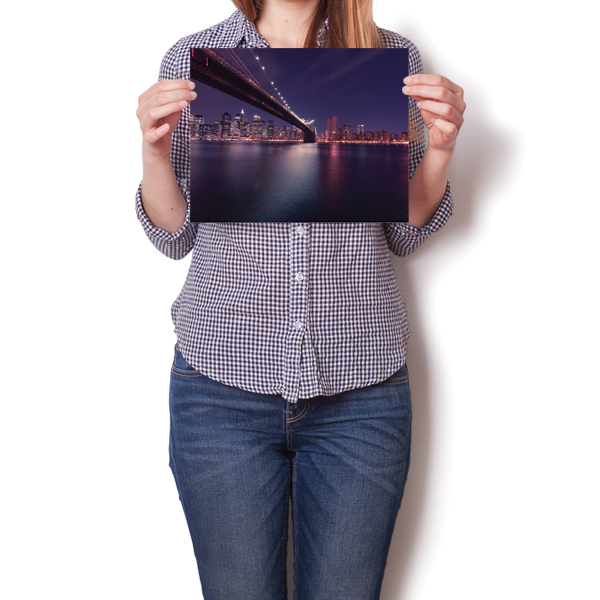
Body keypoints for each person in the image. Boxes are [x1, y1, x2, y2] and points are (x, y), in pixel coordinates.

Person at [135, 1, 465, 598]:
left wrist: (438, 150)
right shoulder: (193, 59)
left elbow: (406, 230)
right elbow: (174, 235)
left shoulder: (390, 59)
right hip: (220, 392)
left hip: (362, 395)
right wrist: (155, 154)